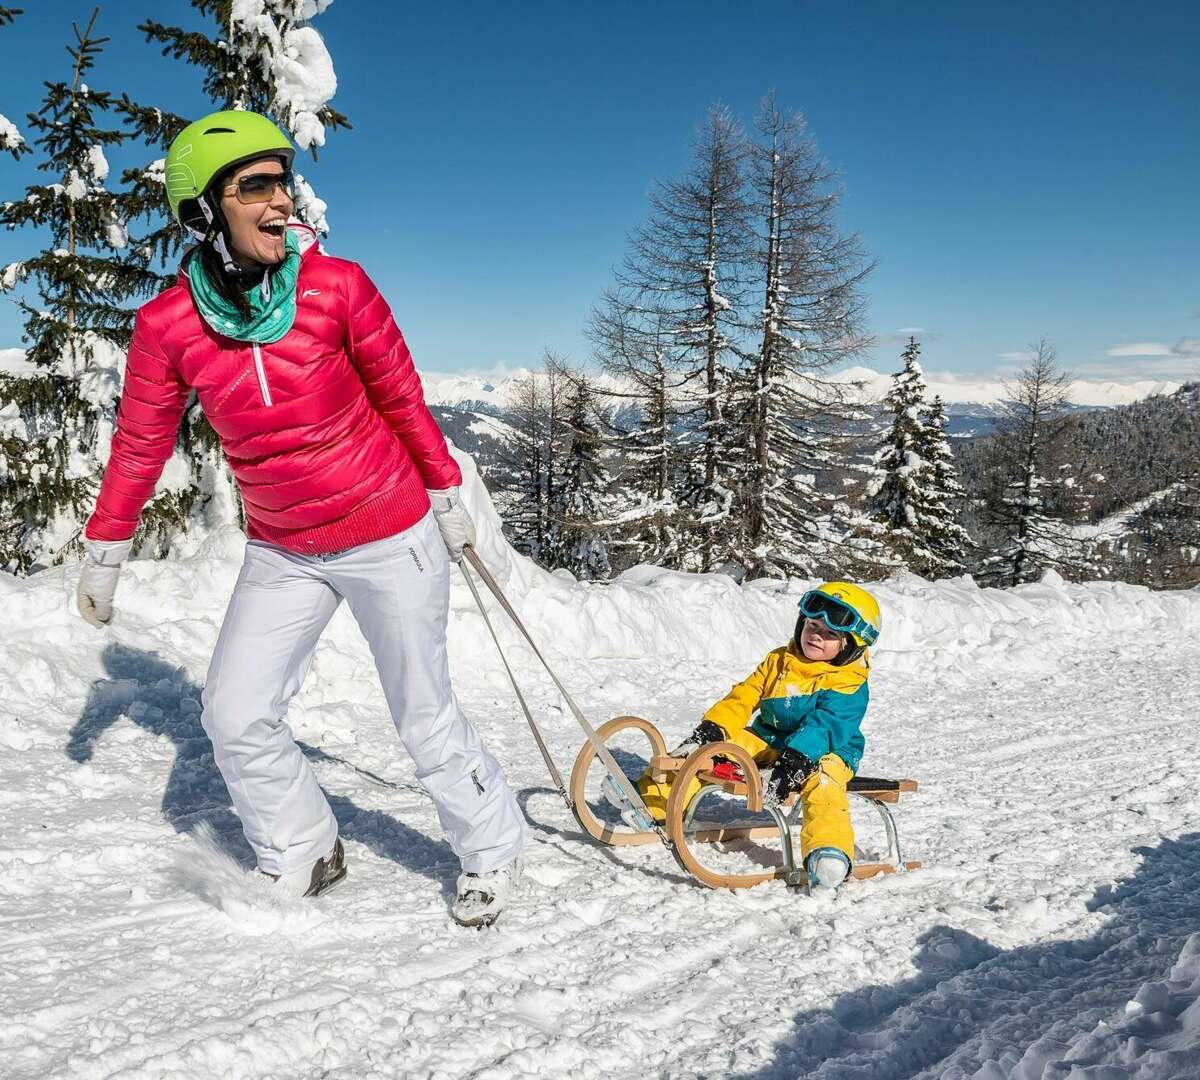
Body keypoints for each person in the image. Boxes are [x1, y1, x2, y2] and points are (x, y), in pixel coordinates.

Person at [74, 110, 526, 927]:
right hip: (284, 549)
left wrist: (447, 495)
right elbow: (139, 444)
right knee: (234, 711)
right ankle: (303, 846)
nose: (282, 199)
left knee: (423, 715)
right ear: (205, 210)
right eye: (257, 185)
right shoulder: (168, 327)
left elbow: (402, 398)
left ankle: (490, 848)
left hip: (389, 531)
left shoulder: (338, 287)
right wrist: (105, 549)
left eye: (284, 179)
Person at [627, 582, 881, 892]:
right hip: (770, 738)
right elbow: (745, 696)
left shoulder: (849, 681)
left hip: (828, 750)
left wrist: (798, 758)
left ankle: (827, 852)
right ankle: (654, 802)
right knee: (718, 751)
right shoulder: (778, 661)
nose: (816, 635)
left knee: (824, 781)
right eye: (813, 625)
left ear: (851, 646)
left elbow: (826, 725)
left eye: (830, 634)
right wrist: (715, 729)